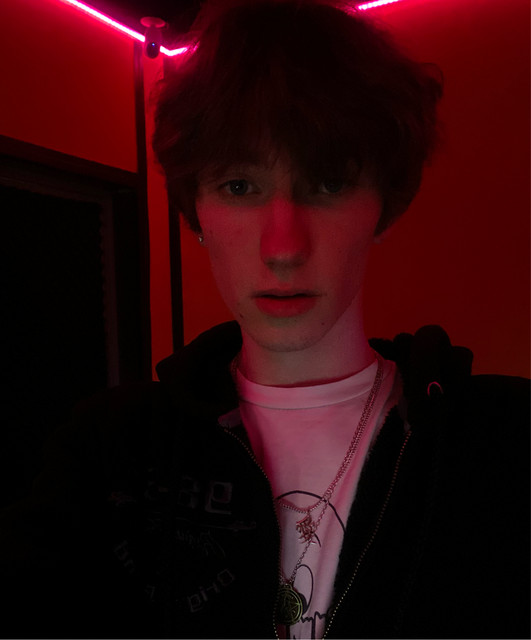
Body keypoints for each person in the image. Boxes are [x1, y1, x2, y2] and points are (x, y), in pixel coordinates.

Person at [1, 1, 529, 638]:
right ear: (196, 212)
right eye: (240, 187)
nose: (283, 247)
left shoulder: (504, 443)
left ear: (382, 209)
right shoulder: (107, 450)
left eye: (327, 184)